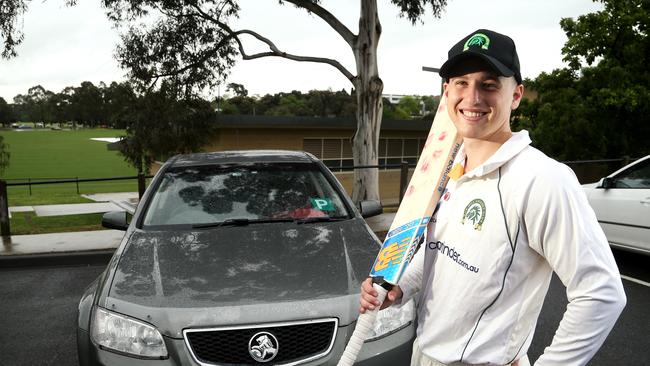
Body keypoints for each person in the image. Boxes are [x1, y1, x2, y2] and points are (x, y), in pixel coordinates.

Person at [359, 29, 626, 366]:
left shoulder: (542, 178)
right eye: (461, 83)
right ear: (446, 92)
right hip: (423, 353)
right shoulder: (446, 170)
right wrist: (398, 288)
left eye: (489, 84)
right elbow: (439, 253)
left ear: (515, 94)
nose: (472, 98)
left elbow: (601, 293)